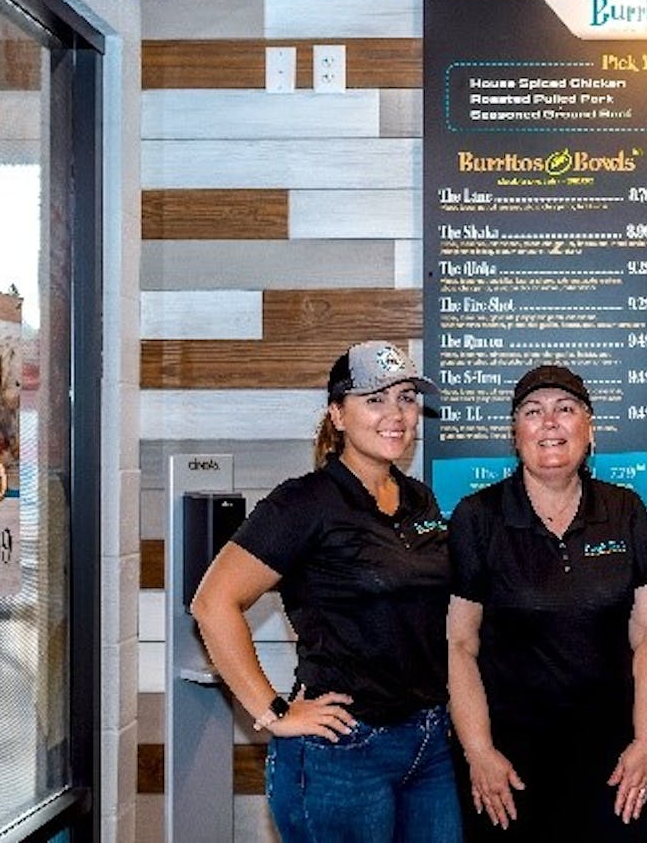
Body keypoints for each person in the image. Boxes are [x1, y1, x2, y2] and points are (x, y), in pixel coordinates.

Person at [190, 340, 461, 842]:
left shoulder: (419, 499)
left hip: (428, 744)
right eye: (374, 400)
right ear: (337, 414)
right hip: (343, 752)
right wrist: (272, 710)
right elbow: (212, 602)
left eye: (405, 398)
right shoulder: (303, 503)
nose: (395, 414)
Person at [446, 364, 647, 842]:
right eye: (533, 411)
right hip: (508, 766)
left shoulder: (626, 510)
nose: (550, 422)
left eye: (565, 410)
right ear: (515, 433)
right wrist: (479, 751)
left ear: (589, 429)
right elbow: (460, 643)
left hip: (613, 764)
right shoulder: (477, 517)